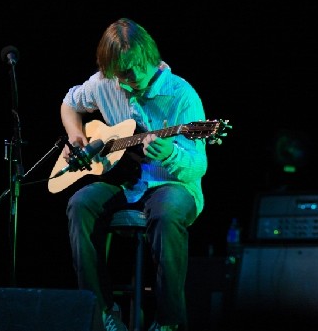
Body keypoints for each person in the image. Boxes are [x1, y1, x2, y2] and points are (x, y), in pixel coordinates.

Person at [60, 18, 208, 331]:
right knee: (80, 203)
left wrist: (169, 153)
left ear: (149, 59)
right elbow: (69, 103)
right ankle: (101, 312)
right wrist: (76, 136)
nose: (126, 82)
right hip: (124, 182)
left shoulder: (182, 95)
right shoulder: (105, 83)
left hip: (172, 184)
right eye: (119, 75)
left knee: (166, 212)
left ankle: (168, 321)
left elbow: (198, 167)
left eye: (132, 72)